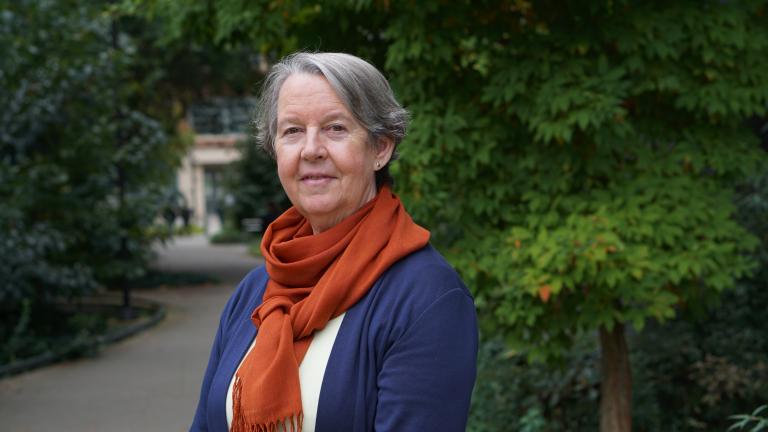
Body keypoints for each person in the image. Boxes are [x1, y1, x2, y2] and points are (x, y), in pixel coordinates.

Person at [191, 52, 478, 432]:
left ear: (381, 148)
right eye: (292, 131)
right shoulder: (255, 291)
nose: (311, 149)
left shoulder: (426, 297)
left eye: (335, 128)